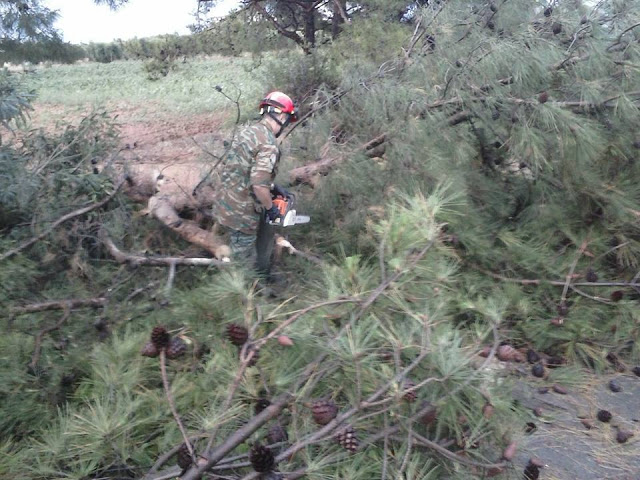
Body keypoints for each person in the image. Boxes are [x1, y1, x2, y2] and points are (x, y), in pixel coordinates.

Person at [209, 91, 298, 273]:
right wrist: (270, 208)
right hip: (242, 213)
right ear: (281, 116)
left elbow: (241, 169)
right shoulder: (268, 144)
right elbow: (258, 185)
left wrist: (273, 187)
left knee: (231, 249)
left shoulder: (246, 131)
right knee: (243, 264)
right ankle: (244, 296)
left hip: (224, 204)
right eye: (287, 120)